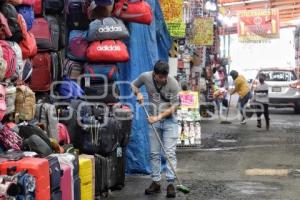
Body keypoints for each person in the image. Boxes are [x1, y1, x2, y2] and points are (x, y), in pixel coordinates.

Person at [131, 60, 180, 198]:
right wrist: (138, 93)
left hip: (170, 121)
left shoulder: (173, 83)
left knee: (169, 153)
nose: (163, 80)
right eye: (160, 77)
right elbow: (133, 85)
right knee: (154, 153)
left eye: (165, 77)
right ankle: (156, 182)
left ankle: (170, 184)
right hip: (154, 122)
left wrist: (158, 117)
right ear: (154, 74)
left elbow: (175, 106)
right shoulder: (145, 77)